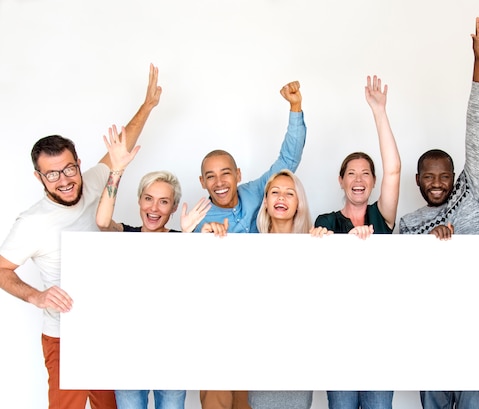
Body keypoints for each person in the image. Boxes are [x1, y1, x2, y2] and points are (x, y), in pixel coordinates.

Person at [0, 64, 161, 409]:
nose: (65, 179)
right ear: (39, 178)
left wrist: (147, 106)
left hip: (105, 327)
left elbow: (120, 148)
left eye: (69, 168)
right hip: (64, 335)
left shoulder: (89, 184)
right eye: (53, 174)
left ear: (78, 163)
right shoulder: (31, 222)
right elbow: (1, 270)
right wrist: (36, 296)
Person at [193, 81, 306, 409]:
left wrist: (295, 108)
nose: (219, 182)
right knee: (217, 397)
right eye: (210, 176)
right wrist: (194, 237)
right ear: (202, 182)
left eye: (225, 173)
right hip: (219, 319)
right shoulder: (198, 216)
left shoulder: (259, 192)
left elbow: (288, 158)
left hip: (259, 319)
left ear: (238, 174)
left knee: (245, 403)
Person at [398, 15, 479, 409]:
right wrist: (428, 248)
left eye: (444, 175)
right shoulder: (408, 224)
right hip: (431, 337)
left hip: (476, 330)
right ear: (417, 181)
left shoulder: (472, 194)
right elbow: (401, 279)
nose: (437, 183)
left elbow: (476, 131)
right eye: (429, 177)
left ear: (456, 177)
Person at [95, 126, 211, 409]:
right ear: (139, 201)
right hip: (127, 350)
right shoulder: (127, 236)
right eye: (148, 198)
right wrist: (117, 170)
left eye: (163, 202)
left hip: (172, 352)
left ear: (173, 209)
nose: (154, 208)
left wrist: (185, 240)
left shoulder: (180, 239)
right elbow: (101, 222)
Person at [314, 74, 400, 409]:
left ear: (374, 182)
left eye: (366, 173)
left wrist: (379, 112)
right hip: (340, 341)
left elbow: (394, 168)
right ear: (341, 180)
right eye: (352, 172)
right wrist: (324, 240)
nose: (359, 179)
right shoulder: (325, 222)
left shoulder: (382, 216)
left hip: (380, 340)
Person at [247, 169, 319, 409]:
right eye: (275, 192)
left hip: (298, 358)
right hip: (262, 357)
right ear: (265, 202)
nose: (281, 198)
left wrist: (328, 246)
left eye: (290, 193)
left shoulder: (314, 244)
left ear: (298, 204)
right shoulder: (247, 248)